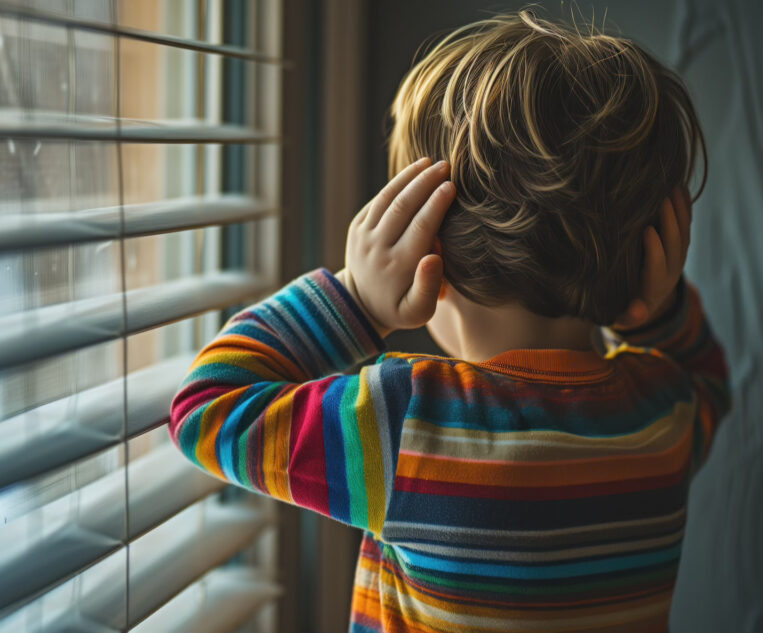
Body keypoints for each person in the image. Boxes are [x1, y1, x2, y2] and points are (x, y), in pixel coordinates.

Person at [170, 9, 730, 632]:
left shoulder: (412, 424)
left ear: (427, 251)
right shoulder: (662, 413)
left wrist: (354, 301)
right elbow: (707, 378)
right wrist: (656, 313)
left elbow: (204, 409)